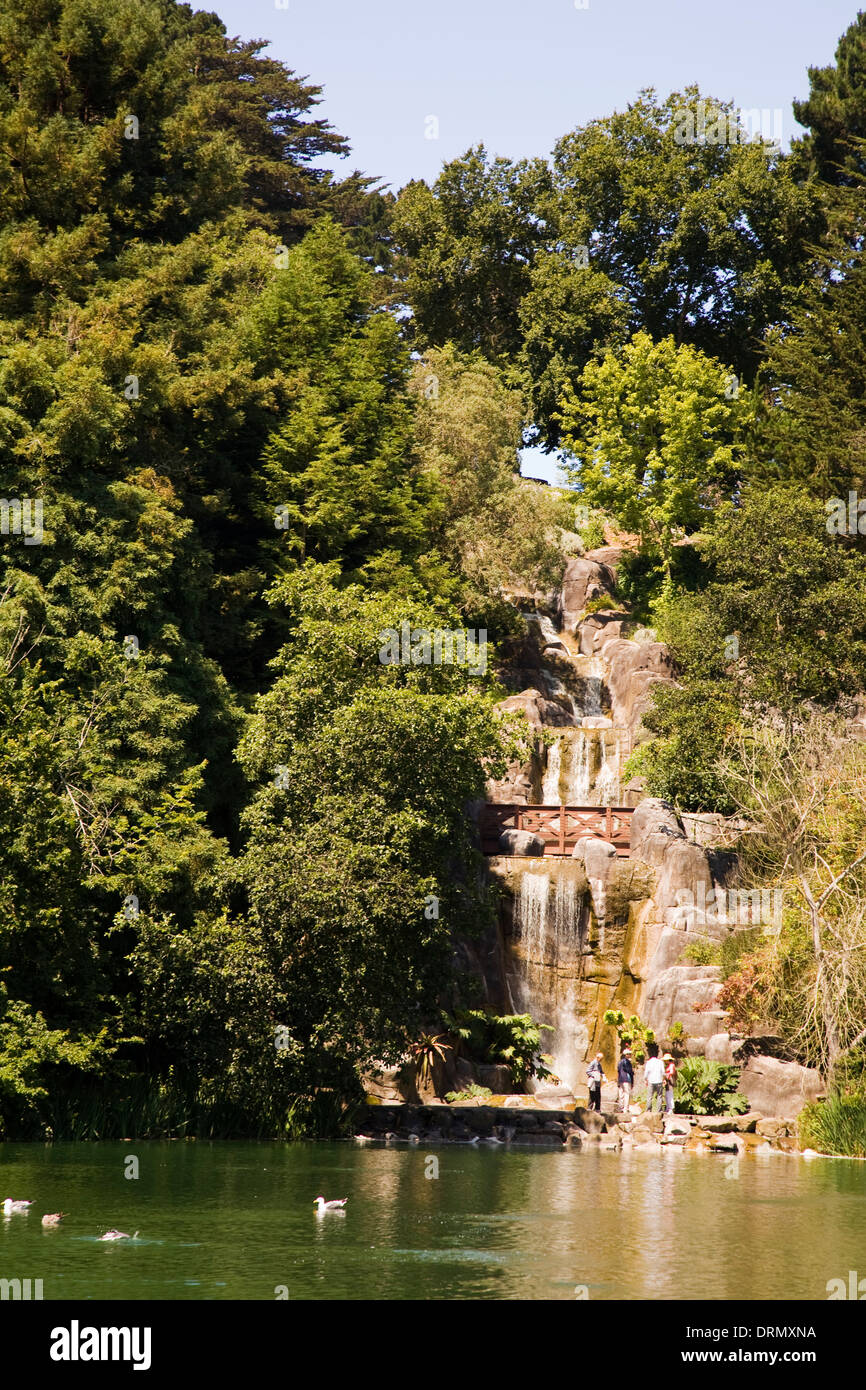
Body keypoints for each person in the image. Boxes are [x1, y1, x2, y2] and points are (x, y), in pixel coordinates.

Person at [616, 1047, 634, 1113]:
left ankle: (621, 1107)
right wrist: (632, 1073)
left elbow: (618, 1071)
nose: (630, 1055)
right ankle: (625, 1108)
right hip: (626, 1079)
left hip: (621, 1079)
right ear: (626, 1055)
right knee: (626, 1093)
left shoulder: (620, 1062)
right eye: (629, 1054)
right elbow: (629, 1071)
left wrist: (618, 1081)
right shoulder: (627, 1062)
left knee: (621, 1094)